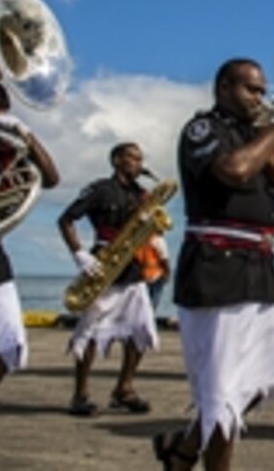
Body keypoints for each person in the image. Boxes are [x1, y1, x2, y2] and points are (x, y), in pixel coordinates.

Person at [152, 58, 274, 471]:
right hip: (217, 267)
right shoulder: (204, 130)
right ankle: (196, 455)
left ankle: (183, 449)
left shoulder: (257, 137)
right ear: (224, 88)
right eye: (251, 90)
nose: (259, 98)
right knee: (223, 392)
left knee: (262, 379)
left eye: (262, 91)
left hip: (260, 268)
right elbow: (236, 170)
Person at [0, 81, 59, 470]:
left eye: (2, 109)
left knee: (9, 343)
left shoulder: (2, 149)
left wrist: (25, 134)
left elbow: (51, 177)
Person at [58, 142, 159, 417]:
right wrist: (79, 253)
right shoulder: (100, 188)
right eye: (131, 157)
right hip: (104, 262)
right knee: (89, 331)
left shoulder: (142, 194)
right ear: (116, 160)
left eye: (140, 158)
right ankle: (80, 395)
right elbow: (66, 219)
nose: (138, 163)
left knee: (141, 329)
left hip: (133, 267)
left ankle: (124, 389)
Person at [135, 227, 171, 316]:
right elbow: (164, 258)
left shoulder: (143, 240)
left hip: (144, 274)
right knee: (155, 299)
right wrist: (168, 273)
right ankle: (150, 317)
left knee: (145, 300)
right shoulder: (159, 240)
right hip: (157, 273)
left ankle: (144, 317)